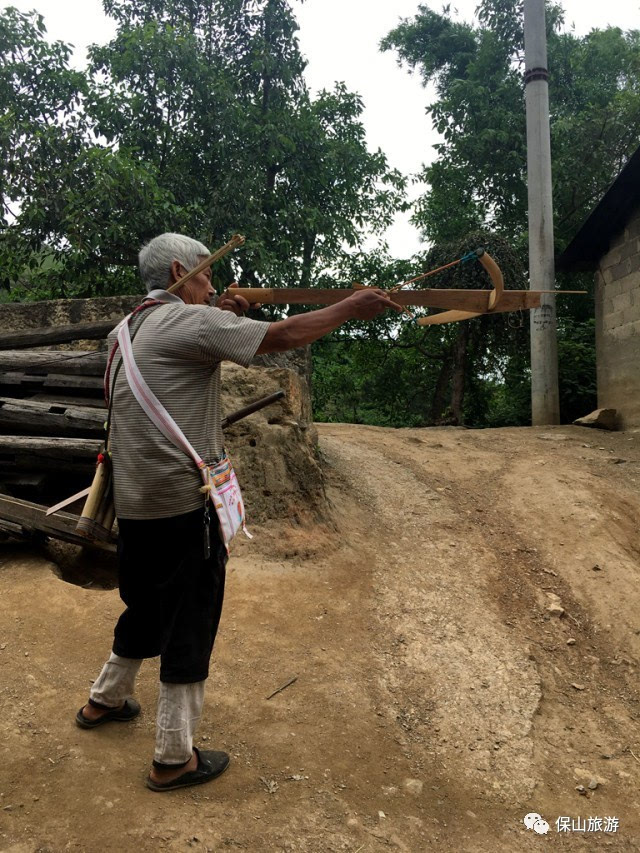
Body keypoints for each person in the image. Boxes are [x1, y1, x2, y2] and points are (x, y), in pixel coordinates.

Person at [75, 232, 400, 792]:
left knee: (147, 605)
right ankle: (173, 756)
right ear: (180, 270)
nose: (212, 284)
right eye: (204, 275)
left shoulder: (122, 332)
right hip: (183, 501)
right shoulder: (192, 325)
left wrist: (219, 311)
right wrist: (352, 306)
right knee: (190, 618)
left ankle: (104, 701)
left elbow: (183, 346)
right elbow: (282, 335)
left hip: (135, 501)